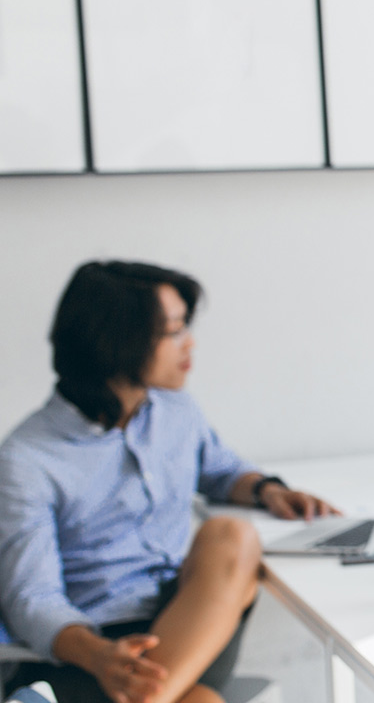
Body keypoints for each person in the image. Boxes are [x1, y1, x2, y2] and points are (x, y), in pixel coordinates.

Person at [0, 261, 339, 703]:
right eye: (174, 331)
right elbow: (33, 599)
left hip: (187, 620)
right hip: (92, 652)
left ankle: (147, 695)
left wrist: (266, 489)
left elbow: (220, 470)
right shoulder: (27, 459)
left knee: (230, 534)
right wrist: (102, 656)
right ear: (116, 341)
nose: (189, 343)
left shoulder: (175, 412)